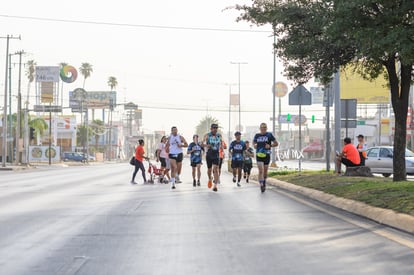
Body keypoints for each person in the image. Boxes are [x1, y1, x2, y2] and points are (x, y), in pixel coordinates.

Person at [253, 123, 278, 193]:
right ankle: (261, 184)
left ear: (266, 128)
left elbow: (276, 143)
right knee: (261, 170)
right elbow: (254, 143)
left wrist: (270, 146)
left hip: (267, 155)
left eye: (264, 127)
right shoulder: (257, 135)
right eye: (262, 127)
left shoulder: (269, 135)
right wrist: (255, 145)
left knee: (265, 172)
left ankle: (264, 182)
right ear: (260, 128)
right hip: (259, 155)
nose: (263, 128)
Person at [203, 123, 222, 192]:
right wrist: (206, 145)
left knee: (216, 169)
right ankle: (210, 179)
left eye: (216, 128)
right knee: (209, 170)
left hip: (216, 154)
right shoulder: (207, 135)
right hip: (209, 154)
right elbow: (202, 143)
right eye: (214, 128)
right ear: (211, 129)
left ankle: (215, 186)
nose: (215, 129)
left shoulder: (219, 136)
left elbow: (221, 144)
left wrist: (222, 148)